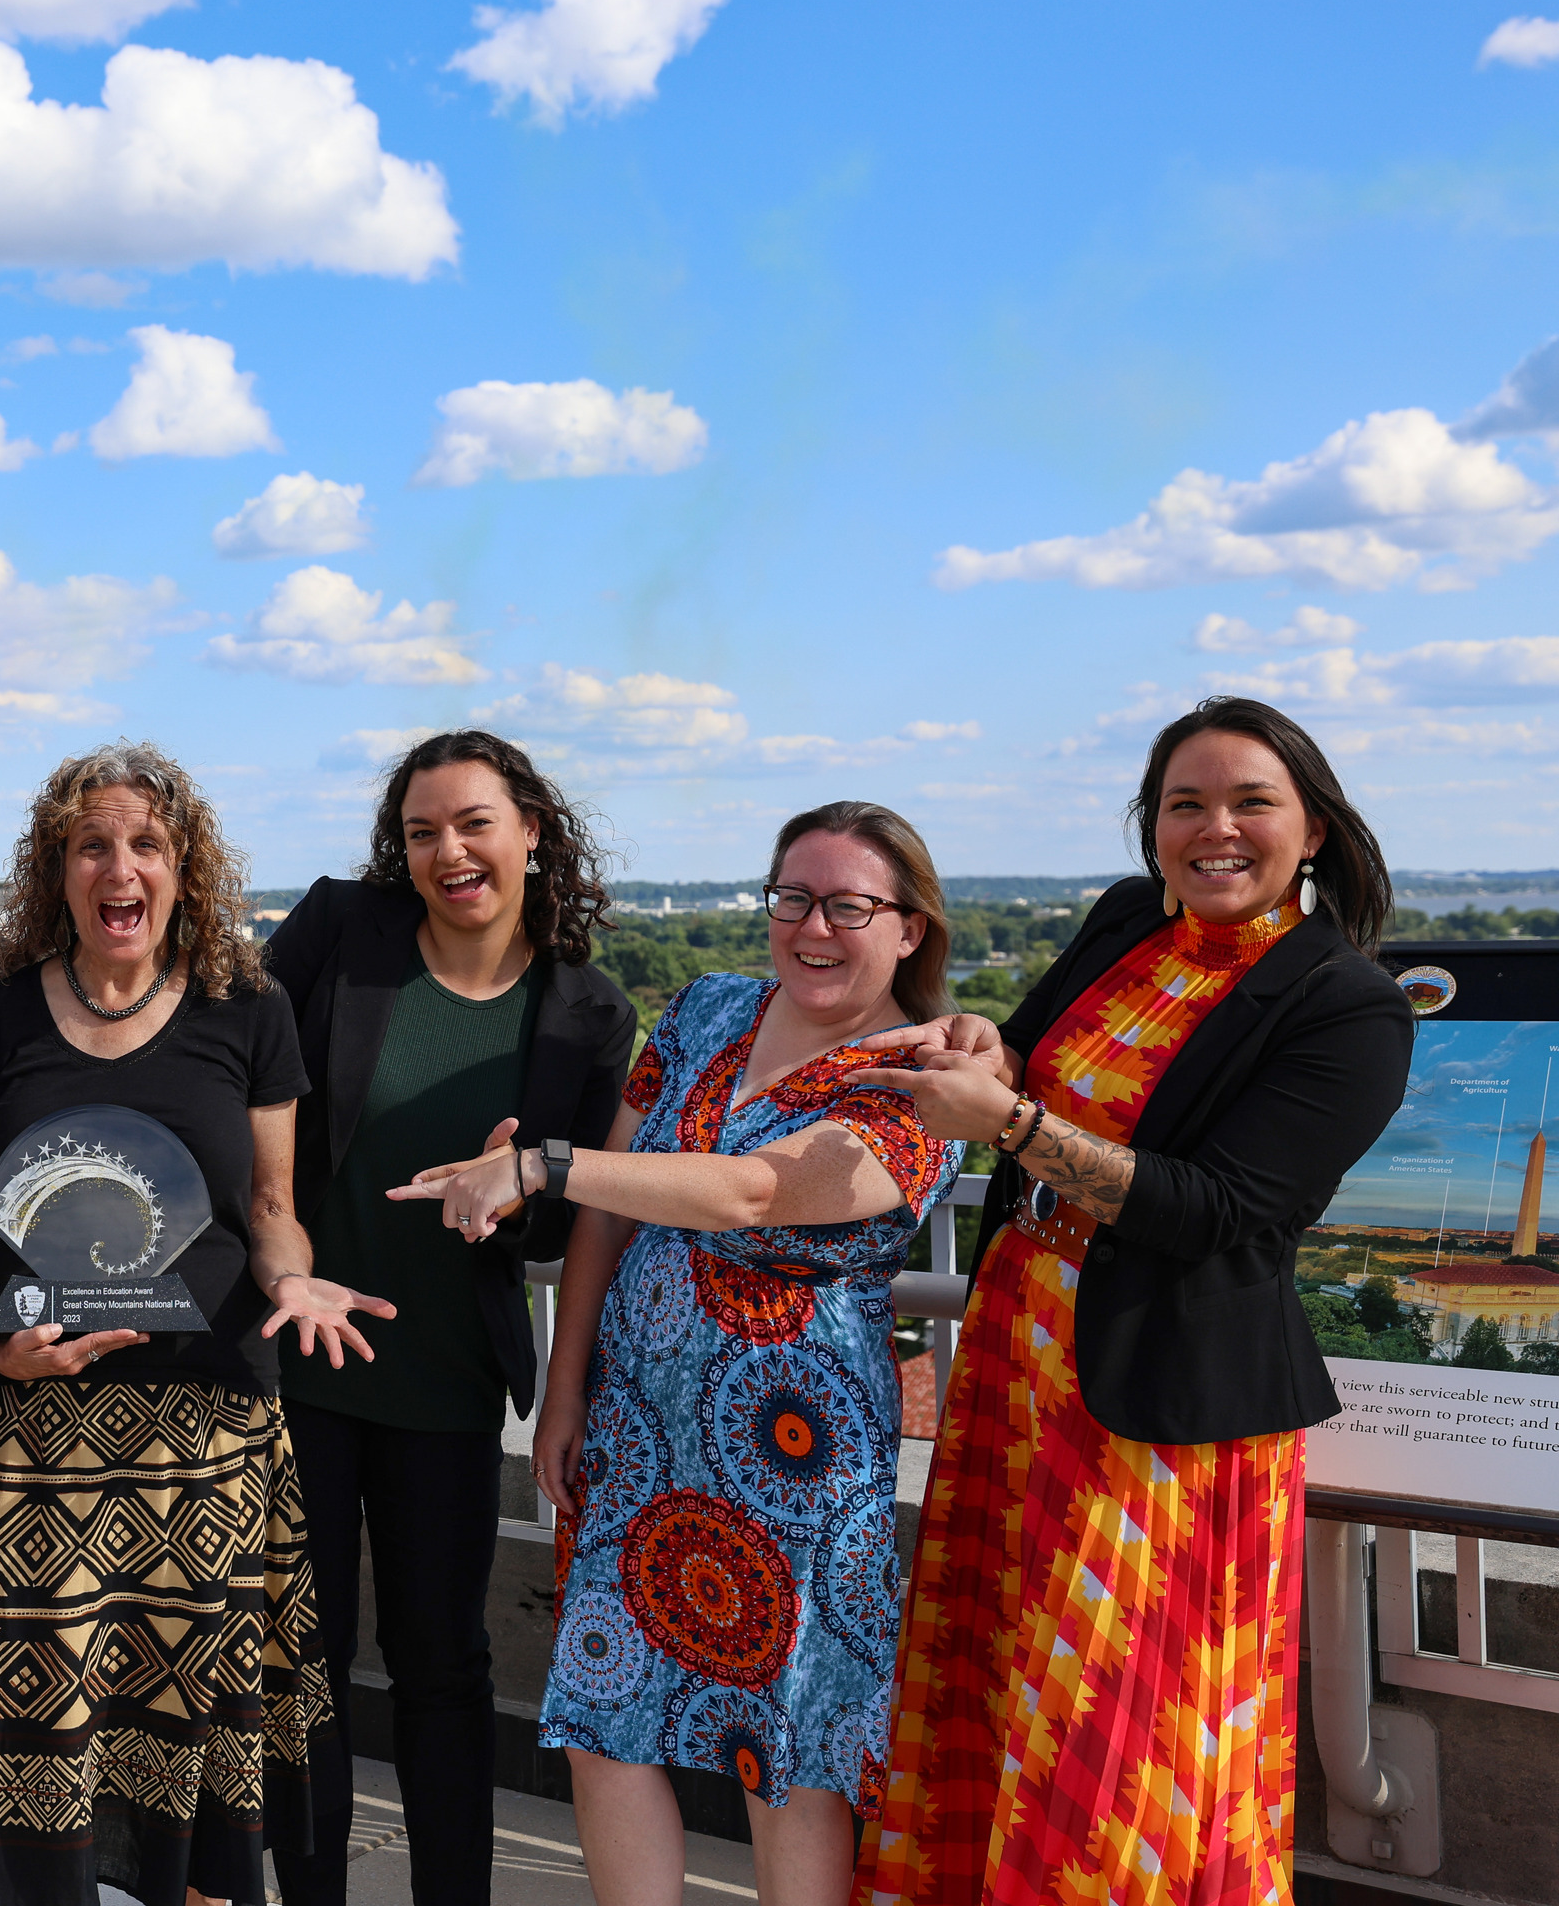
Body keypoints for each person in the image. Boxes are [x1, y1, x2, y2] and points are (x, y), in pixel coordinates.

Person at [854, 698, 1412, 1904]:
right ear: (1151, 825)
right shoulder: (1125, 921)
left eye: (1251, 801)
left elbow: (1224, 1211)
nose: (1217, 828)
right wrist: (982, 1046)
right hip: (1020, 1353)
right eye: (1185, 803)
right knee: (999, 1684)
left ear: (1312, 826)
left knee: (1117, 1733)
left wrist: (1005, 1124)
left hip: (1162, 1411)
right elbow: (1034, 1046)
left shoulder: (1346, 1002)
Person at [399, 800, 964, 1905]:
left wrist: (539, 1167)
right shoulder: (708, 1008)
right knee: (608, 1720)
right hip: (638, 1427)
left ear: (910, 927)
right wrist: (566, 1393)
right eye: (791, 896)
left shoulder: (927, 1080)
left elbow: (753, 1191)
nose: (813, 925)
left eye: (849, 904)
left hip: (795, 1461)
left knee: (786, 1749)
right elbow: (611, 1206)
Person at [0, 740, 392, 1906]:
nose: (121, 867)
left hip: (206, 1447)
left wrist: (296, 1279)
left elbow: (271, 1208)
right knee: (19, 1786)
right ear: (56, 872)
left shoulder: (246, 1007)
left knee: (202, 1792)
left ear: (185, 867)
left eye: (147, 844)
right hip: (28, 1453)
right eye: (92, 845)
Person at [263, 730, 634, 1906]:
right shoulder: (340, 931)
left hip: (446, 1378)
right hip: (302, 1364)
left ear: (532, 826)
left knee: (443, 1666)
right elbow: (241, 1077)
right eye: (423, 831)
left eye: (474, 822)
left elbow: (561, 1221)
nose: (449, 850)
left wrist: (510, 1193)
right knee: (300, 1667)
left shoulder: (585, 1009)